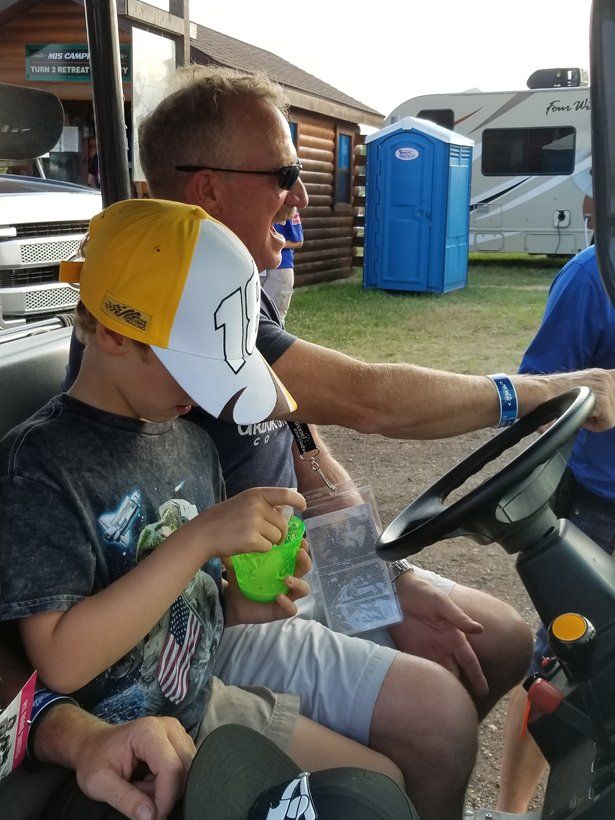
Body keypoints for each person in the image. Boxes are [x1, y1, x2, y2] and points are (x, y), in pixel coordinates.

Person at [5, 67, 615, 819]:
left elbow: (303, 453)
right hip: (161, 655)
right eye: (285, 172)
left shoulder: (222, 334)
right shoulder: (152, 350)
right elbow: (370, 398)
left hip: (220, 610)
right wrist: (533, 391)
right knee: (434, 715)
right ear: (208, 190)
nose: (300, 197)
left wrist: (377, 575)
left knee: (496, 639)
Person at [0, 198, 403, 817]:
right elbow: (60, 660)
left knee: (379, 783)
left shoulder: (188, 440)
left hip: (199, 705)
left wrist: (244, 602)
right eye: (192, 370)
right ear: (110, 331)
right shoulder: (43, 465)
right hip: (115, 744)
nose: (204, 395)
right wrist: (198, 539)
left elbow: (194, 605)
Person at [497, 244, 615, 813]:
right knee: (562, 668)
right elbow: (539, 389)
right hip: (599, 505)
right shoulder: (591, 277)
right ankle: (510, 810)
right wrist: (595, 389)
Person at [260, 208, 303, 322]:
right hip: (259, 267)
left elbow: (298, 241)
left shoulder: (290, 209)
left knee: (275, 315)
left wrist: (270, 245)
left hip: (281, 269)